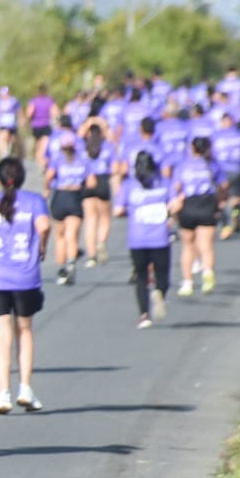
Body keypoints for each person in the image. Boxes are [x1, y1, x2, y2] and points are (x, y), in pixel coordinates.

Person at [0, 158, 50, 414]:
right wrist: (42, 247)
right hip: (25, 276)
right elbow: (44, 225)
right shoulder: (34, 201)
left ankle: (3, 393)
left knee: (0, 336)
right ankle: (25, 388)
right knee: (24, 330)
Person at [115, 152, 181, 329]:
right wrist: (169, 214)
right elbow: (176, 204)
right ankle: (160, 292)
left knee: (141, 277)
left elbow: (118, 210)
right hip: (159, 237)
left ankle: (144, 315)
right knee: (163, 275)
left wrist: (132, 212)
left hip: (137, 238)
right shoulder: (164, 183)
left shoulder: (129, 185)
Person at [172, 136, 227, 296]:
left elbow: (176, 186)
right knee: (206, 245)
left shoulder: (183, 165)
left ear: (192, 148)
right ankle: (207, 272)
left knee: (187, 245)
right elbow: (224, 184)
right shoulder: (211, 165)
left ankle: (187, 282)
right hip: (207, 204)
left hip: (188, 205)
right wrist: (221, 198)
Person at [44, 130, 87, 285]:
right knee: (72, 235)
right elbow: (91, 181)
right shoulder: (82, 159)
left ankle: (62, 268)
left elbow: (49, 175)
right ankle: (71, 263)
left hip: (60, 195)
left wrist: (46, 188)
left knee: (60, 236)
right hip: (74, 196)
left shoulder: (57, 159)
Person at [210, 112, 240, 239]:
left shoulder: (216, 136)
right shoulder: (239, 135)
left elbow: (209, 153)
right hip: (236, 169)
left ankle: (225, 225)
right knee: (237, 197)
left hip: (221, 171)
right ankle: (236, 213)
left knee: (221, 199)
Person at [81, 124, 116, 267]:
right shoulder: (107, 147)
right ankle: (101, 242)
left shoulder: (83, 147)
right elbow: (114, 168)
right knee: (105, 218)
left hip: (88, 181)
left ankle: (91, 255)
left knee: (90, 219)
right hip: (102, 180)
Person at [26, 84, 58, 168]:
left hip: (36, 126)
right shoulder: (49, 101)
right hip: (46, 125)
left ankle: (38, 162)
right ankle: (41, 163)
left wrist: (29, 121)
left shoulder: (34, 101)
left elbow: (29, 113)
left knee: (38, 144)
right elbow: (55, 113)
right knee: (44, 145)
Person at [0, 86, 21, 159]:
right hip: (3, 123)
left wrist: (21, 120)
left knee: (12, 139)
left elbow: (19, 111)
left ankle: (12, 152)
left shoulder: (14, 101)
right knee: (4, 137)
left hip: (12, 123)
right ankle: (4, 155)